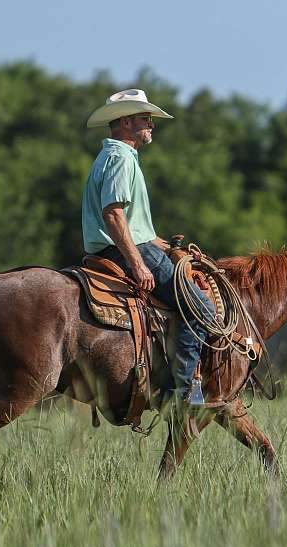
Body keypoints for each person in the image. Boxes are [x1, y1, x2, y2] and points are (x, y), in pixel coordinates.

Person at [82, 88, 215, 407]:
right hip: (126, 251)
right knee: (201, 307)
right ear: (125, 121)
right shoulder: (120, 157)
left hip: (131, 246)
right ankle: (182, 393)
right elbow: (113, 214)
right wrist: (139, 264)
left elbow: (135, 224)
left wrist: (170, 248)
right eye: (146, 118)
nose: (151, 125)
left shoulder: (116, 156)